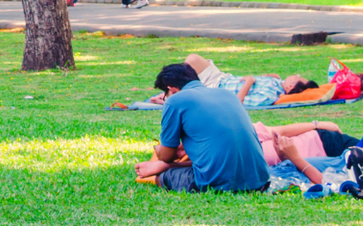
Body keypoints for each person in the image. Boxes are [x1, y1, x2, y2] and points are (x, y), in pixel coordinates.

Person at [136, 63, 269, 193]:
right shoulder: (227, 94)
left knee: (164, 178)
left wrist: (159, 151)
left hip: (218, 184)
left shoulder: (175, 101)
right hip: (259, 181)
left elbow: (166, 155)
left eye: (165, 95)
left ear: (172, 89)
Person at [174, 53, 319, 107]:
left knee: (191, 62)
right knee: (194, 61)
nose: (296, 75)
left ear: (290, 87)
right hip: (222, 78)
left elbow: (238, 102)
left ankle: (172, 93)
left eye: (297, 77)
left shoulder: (269, 95)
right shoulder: (277, 82)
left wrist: (249, 82)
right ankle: (173, 91)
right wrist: (270, 77)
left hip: (215, 87)